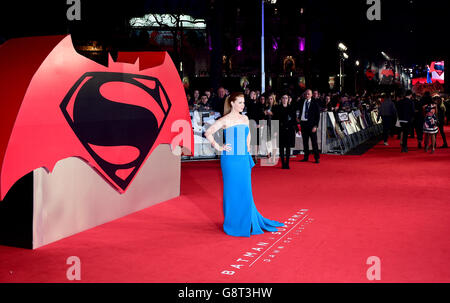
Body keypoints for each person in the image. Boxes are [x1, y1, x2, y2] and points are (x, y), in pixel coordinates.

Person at [204, 92, 283, 237]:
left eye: (243, 102)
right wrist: (219, 147)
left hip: (242, 159)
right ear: (232, 103)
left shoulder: (245, 118)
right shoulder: (225, 120)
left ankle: (248, 219)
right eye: (240, 102)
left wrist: (247, 150)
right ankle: (233, 222)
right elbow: (208, 132)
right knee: (231, 191)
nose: (243, 105)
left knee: (245, 190)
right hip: (230, 160)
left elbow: (248, 136)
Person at [273, 93, 297, 169]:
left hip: (289, 130)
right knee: (281, 147)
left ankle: (287, 163)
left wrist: (296, 129)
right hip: (280, 130)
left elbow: (294, 119)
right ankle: (283, 163)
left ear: (288, 99)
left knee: (288, 148)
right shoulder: (277, 108)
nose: (284, 99)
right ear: (281, 99)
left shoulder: (291, 108)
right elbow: (275, 120)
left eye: (286, 98)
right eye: (283, 98)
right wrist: (275, 130)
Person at [297, 89, 321, 163]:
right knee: (305, 142)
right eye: (306, 94)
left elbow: (317, 116)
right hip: (303, 124)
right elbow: (298, 111)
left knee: (314, 142)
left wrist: (315, 126)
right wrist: (298, 119)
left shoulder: (315, 104)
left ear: (311, 95)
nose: (307, 95)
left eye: (308, 94)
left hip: (311, 125)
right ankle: (306, 157)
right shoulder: (301, 102)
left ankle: (316, 158)